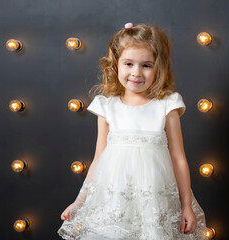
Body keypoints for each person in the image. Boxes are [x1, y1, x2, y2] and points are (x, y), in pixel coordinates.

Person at [58, 23, 208, 240]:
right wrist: (80, 202)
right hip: (115, 199)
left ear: (159, 67)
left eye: (146, 65)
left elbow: (178, 157)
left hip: (154, 200)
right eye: (128, 63)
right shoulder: (107, 107)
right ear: (115, 65)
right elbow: (99, 158)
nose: (136, 72)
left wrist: (186, 206)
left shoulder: (166, 105)